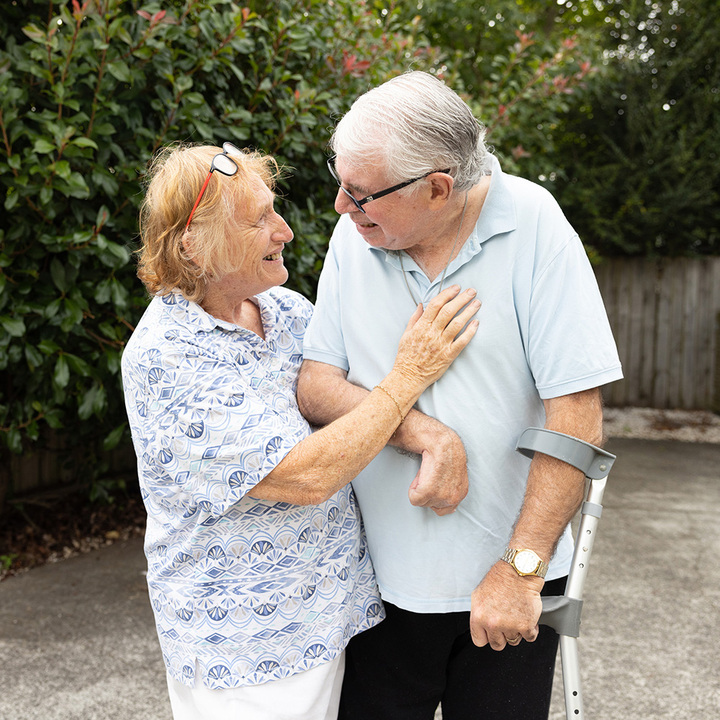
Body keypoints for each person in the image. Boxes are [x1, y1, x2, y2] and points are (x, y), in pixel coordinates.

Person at [296, 71, 623, 720]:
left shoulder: (534, 224)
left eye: (360, 193)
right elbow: (317, 385)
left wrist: (522, 570)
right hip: (370, 589)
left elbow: (577, 418)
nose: (340, 206)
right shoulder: (355, 236)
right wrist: (424, 433)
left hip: (504, 593)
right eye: (340, 182)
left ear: (438, 188)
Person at [120, 142, 480, 720]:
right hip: (245, 647)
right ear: (193, 245)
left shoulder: (283, 311)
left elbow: (343, 407)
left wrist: (429, 436)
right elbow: (305, 476)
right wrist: (410, 374)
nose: (284, 231)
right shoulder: (168, 354)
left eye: (274, 209)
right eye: (258, 219)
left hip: (332, 618)